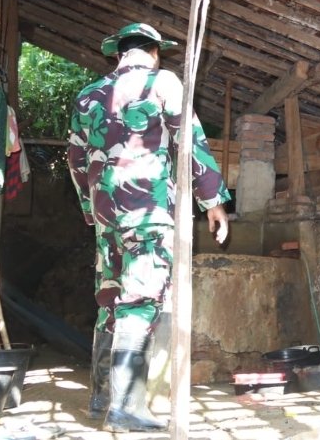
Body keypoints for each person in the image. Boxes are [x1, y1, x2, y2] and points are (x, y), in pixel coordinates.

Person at [68, 23, 231, 432]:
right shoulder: (163, 83)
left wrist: (91, 209)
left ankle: (100, 399)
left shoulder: (88, 95)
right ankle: (125, 407)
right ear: (154, 52)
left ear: (118, 54)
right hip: (148, 211)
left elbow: (76, 160)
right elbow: (189, 141)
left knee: (110, 300)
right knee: (140, 299)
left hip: (107, 216)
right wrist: (212, 201)